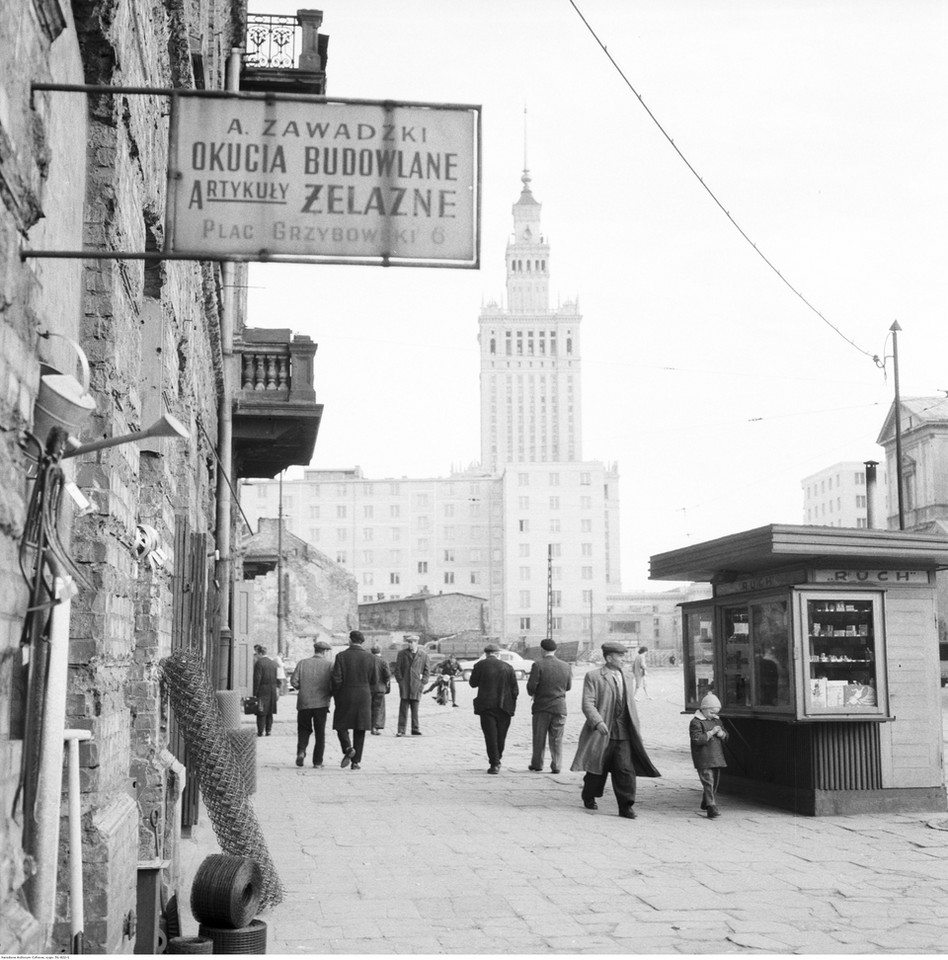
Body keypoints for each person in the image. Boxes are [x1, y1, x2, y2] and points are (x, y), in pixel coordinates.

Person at [570, 641, 661, 818]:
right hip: (602, 732)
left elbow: (629, 703)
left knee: (625, 769)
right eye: (620, 656)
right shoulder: (594, 676)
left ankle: (626, 806)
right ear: (609, 658)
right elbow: (588, 703)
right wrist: (598, 722)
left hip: (624, 731)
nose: (623, 660)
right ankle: (589, 795)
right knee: (597, 769)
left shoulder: (627, 675)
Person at [331, 630, 379, 770]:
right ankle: (356, 762)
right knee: (360, 728)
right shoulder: (371, 658)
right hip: (364, 695)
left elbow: (336, 679)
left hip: (345, 694)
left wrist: (336, 694)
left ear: (350, 640)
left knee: (341, 725)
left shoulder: (341, 656)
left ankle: (347, 748)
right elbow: (375, 680)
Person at [469, 643, 518, 774]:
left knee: (490, 736)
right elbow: (515, 690)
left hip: (486, 706)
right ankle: (498, 758)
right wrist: (512, 704)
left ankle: (494, 763)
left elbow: (472, 684)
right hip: (504, 707)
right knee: (501, 736)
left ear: (486, 654)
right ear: (497, 654)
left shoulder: (479, 665)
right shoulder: (508, 667)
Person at [526, 638, 572, 774]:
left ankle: (537, 764)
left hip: (542, 707)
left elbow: (531, 687)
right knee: (557, 737)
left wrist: (534, 693)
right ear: (555, 650)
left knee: (539, 737)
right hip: (560, 707)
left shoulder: (538, 665)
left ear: (542, 650)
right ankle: (557, 765)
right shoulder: (566, 666)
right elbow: (568, 686)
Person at [291, 639, 333, 767]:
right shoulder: (330, 665)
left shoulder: (302, 663)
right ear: (325, 651)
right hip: (321, 703)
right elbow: (333, 684)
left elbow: (294, 682)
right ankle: (317, 761)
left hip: (304, 702)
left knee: (303, 729)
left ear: (315, 650)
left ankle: (301, 751)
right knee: (320, 733)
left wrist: (303, 688)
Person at [690, 692, 729, 819]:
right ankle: (711, 807)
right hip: (703, 757)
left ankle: (706, 801)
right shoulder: (696, 722)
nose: (714, 715)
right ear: (704, 709)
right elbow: (697, 739)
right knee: (708, 781)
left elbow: (726, 736)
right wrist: (711, 733)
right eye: (711, 712)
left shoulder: (717, 720)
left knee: (715, 782)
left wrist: (722, 734)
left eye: (716, 713)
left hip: (716, 756)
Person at [394, 636, 429, 736]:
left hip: (416, 685)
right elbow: (397, 669)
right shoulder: (402, 654)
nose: (410, 644)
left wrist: (423, 683)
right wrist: (400, 681)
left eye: (412, 642)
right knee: (403, 709)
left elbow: (427, 671)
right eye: (408, 642)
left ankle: (415, 728)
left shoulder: (423, 655)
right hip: (405, 685)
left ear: (416, 643)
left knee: (415, 709)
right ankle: (401, 729)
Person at [252, 645, 280, 737]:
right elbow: (278, 678)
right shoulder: (273, 663)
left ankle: (260, 731)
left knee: (261, 711)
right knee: (269, 712)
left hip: (262, 690)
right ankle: (268, 731)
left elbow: (257, 679)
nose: (256, 655)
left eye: (256, 653)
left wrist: (254, 693)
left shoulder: (259, 663)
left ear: (260, 653)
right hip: (272, 690)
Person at [370, 644, 391, 735]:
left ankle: (369, 725)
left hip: (369, 688)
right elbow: (387, 674)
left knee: (369, 707)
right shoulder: (383, 661)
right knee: (378, 708)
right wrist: (386, 683)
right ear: (380, 650)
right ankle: (375, 727)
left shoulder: (367, 660)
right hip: (380, 688)